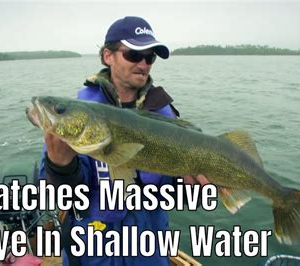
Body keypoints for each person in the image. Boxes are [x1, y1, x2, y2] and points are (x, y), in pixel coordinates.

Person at [38, 16, 208, 266]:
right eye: (133, 54)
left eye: (150, 57)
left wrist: (186, 188)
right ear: (108, 55)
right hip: (92, 252)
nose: (143, 64)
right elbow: (58, 197)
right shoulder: (79, 116)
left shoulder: (165, 117)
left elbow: (170, 193)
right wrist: (59, 166)